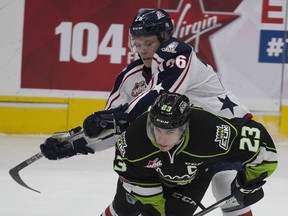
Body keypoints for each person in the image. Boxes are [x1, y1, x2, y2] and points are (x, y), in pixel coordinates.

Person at [41, 8, 255, 216]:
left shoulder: (180, 55)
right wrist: (74, 143)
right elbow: (118, 129)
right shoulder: (130, 78)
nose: (142, 49)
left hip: (226, 133)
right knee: (129, 197)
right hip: (176, 145)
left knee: (227, 183)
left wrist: (121, 116)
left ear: (165, 38)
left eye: (149, 43)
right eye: (138, 43)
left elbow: (162, 91)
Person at [100, 92, 278, 216]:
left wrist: (250, 181)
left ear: (184, 128)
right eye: (158, 130)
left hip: (192, 178)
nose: (161, 138)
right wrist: (156, 209)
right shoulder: (134, 140)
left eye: (169, 132)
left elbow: (258, 140)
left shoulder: (211, 133)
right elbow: (134, 177)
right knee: (124, 210)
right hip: (147, 178)